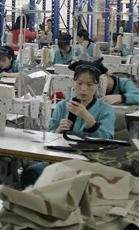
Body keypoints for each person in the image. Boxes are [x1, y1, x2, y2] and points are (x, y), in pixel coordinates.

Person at [21, 59, 115, 187]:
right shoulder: (62, 106)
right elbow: (47, 137)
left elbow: (107, 141)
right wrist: (58, 131)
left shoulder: (105, 110)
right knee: (31, 173)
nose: (83, 89)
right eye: (79, 83)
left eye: (89, 84)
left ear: (98, 85)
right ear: (73, 83)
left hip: (89, 164)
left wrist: (90, 120)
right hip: (58, 161)